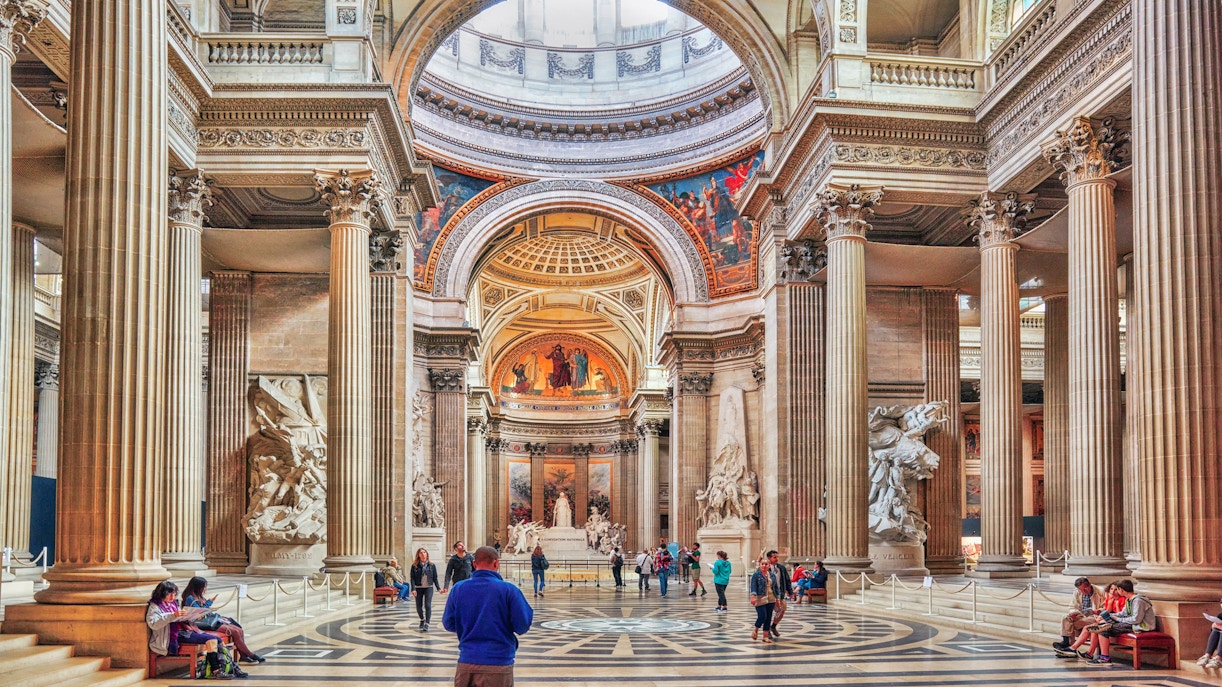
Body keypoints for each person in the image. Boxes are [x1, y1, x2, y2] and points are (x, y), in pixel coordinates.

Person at [442, 546, 534, 687]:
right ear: (497, 563)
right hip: (499, 662)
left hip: (467, 661)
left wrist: (468, 626)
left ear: (474, 564)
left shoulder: (458, 589)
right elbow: (522, 626)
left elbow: (448, 623)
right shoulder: (509, 590)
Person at [147, 580, 244, 680]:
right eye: (169, 594)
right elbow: (153, 623)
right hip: (171, 636)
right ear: (162, 593)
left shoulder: (173, 604)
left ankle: (228, 666)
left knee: (216, 640)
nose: (173, 597)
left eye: (174, 594)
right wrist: (172, 616)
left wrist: (190, 616)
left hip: (184, 630)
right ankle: (217, 671)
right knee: (212, 640)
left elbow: (179, 619)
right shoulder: (155, 606)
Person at [182, 576, 264, 664]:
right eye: (204, 587)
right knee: (235, 632)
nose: (205, 589)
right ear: (198, 587)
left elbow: (206, 611)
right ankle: (250, 654)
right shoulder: (190, 598)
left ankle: (243, 656)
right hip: (200, 623)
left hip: (208, 620)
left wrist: (219, 617)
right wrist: (209, 603)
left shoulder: (199, 596)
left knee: (239, 629)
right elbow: (200, 612)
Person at [1090, 579, 1156, 665]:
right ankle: (1095, 654)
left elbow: (1136, 619)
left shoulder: (1138, 601)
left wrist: (1117, 619)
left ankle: (1105, 658)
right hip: (1131, 624)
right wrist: (1110, 615)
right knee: (1099, 626)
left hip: (1139, 626)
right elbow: (1123, 613)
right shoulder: (1129, 600)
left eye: (1117, 589)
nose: (1116, 591)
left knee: (1102, 629)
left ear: (1121, 590)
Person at [1053, 577, 1105, 651]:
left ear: (1089, 585)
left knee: (1069, 625)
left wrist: (1098, 610)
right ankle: (1066, 642)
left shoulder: (1100, 591)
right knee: (1066, 618)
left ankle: (1068, 646)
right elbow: (1072, 606)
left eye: (1085, 589)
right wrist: (1073, 613)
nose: (1083, 591)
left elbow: (1106, 607)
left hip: (1094, 616)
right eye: (1081, 590)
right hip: (1081, 615)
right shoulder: (1077, 592)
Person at [410, 547, 441, 632]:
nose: (423, 554)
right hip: (418, 588)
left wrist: (438, 588)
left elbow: (435, 577)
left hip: (429, 587)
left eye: (424, 552)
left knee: (428, 605)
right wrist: (413, 589)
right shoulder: (414, 566)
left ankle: (427, 623)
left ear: (427, 554)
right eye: (421, 553)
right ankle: (422, 619)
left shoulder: (432, 565)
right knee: (418, 607)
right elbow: (412, 578)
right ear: (418, 555)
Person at [766, 550, 793, 637]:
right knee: (768, 612)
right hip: (768, 594)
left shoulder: (781, 568)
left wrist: (790, 591)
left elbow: (787, 580)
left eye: (778, 557)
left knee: (781, 611)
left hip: (779, 593)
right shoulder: (765, 567)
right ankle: (766, 630)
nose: (777, 559)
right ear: (769, 558)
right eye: (775, 557)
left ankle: (773, 626)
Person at [749, 559, 777, 644]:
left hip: (771, 598)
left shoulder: (772, 575)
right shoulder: (756, 575)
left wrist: (778, 598)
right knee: (762, 616)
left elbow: (775, 587)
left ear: (769, 565)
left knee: (768, 617)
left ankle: (765, 636)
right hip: (760, 597)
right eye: (762, 564)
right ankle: (756, 629)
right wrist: (753, 596)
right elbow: (753, 586)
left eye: (766, 564)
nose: (764, 566)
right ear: (760, 565)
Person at [1196, 598, 1222, 668]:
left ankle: (1219, 659)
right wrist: (1214, 626)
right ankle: (1207, 656)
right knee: (1215, 631)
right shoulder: (1221, 615)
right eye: (1221, 603)